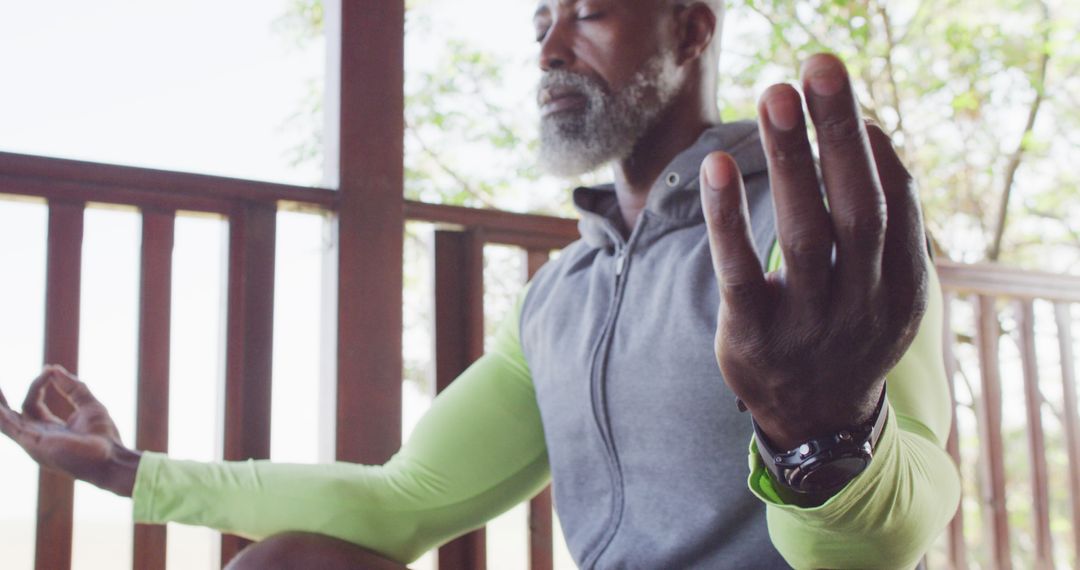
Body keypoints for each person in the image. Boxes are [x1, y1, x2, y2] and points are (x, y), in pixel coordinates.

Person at [0, 1, 961, 568]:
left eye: (587, 13)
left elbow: (901, 531)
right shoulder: (560, 296)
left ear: (689, 28)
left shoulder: (824, 226)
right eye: (540, 21)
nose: (549, 51)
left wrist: (825, 441)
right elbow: (402, 499)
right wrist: (127, 471)